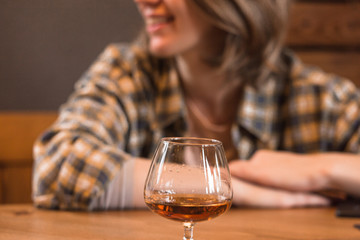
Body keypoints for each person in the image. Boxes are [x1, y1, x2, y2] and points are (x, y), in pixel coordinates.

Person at [32, 0, 360, 210]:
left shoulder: (314, 97)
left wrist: (320, 169)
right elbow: (56, 164)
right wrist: (234, 189)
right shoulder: (127, 72)